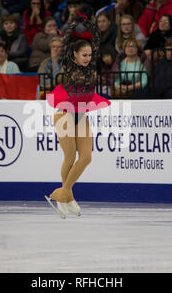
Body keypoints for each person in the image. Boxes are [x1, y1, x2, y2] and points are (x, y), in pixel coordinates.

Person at [45, 14, 110, 218]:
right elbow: (65, 41)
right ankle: (68, 198)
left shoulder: (90, 67)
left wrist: (90, 24)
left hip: (81, 117)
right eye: (84, 55)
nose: (88, 58)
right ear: (74, 55)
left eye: (90, 55)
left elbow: (97, 43)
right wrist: (73, 23)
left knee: (87, 157)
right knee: (70, 156)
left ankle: (62, 194)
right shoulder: (70, 66)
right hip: (65, 115)